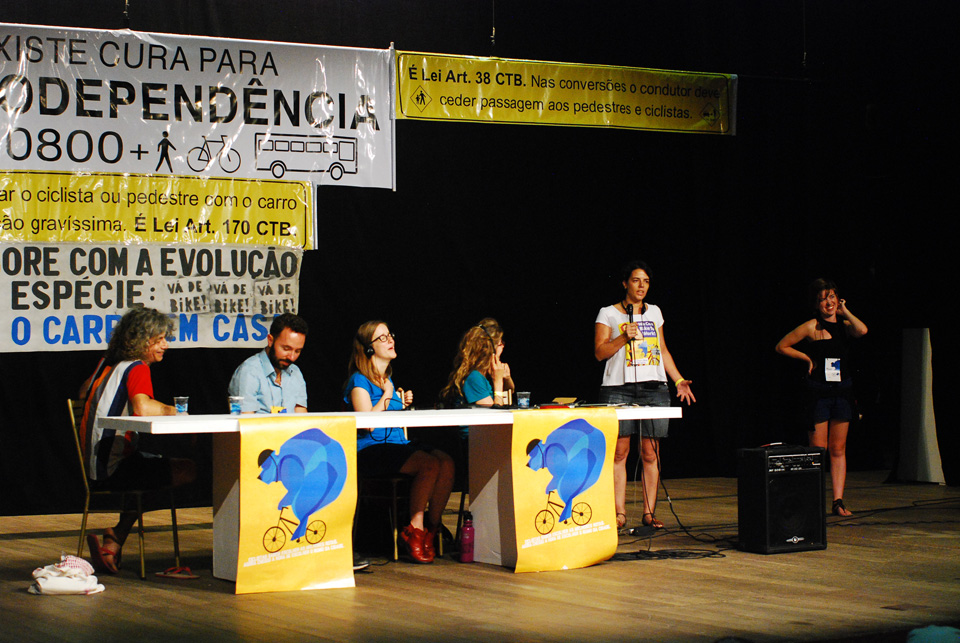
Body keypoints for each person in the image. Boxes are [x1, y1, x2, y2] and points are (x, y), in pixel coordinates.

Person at [81, 307, 196, 574]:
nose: (166, 345)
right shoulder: (137, 367)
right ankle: (117, 535)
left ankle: (115, 538)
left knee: (153, 468)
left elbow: (84, 390)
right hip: (113, 468)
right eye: (159, 340)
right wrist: (175, 411)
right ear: (142, 341)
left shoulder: (107, 364)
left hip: (92, 464)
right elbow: (142, 408)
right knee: (187, 470)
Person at [594, 261, 695, 531]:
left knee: (651, 453)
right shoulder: (608, 313)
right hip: (618, 388)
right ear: (625, 283)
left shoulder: (655, 312)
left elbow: (662, 350)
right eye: (636, 280)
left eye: (646, 281)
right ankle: (619, 513)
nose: (641, 286)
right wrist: (622, 338)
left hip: (654, 388)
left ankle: (649, 512)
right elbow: (600, 352)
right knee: (620, 452)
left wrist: (678, 380)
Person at [343, 321, 455, 563]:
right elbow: (367, 424)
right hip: (371, 450)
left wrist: (400, 403)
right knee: (428, 464)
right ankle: (414, 531)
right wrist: (387, 395)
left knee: (446, 462)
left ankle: (432, 530)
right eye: (382, 338)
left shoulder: (388, 381)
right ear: (369, 348)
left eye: (390, 335)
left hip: (397, 445)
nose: (390, 340)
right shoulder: (359, 381)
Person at [775, 278, 868, 516]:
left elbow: (862, 330)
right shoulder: (811, 327)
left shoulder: (845, 325)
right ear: (816, 304)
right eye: (823, 299)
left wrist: (845, 311)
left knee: (838, 448)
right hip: (818, 393)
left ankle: (838, 501)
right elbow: (782, 346)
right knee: (818, 450)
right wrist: (807, 359)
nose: (829, 302)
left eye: (832, 297)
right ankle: (813, 500)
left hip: (843, 392)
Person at [228, 313, 309, 414]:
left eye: (297, 351)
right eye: (286, 349)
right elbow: (245, 420)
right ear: (270, 340)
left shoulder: (295, 372)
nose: (292, 357)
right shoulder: (249, 372)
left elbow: (301, 415)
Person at [440, 318, 514, 408]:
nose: (503, 347)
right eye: (500, 344)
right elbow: (493, 414)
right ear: (489, 350)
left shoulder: (486, 375)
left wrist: (507, 378)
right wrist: (498, 381)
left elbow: (509, 390)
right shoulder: (474, 378)